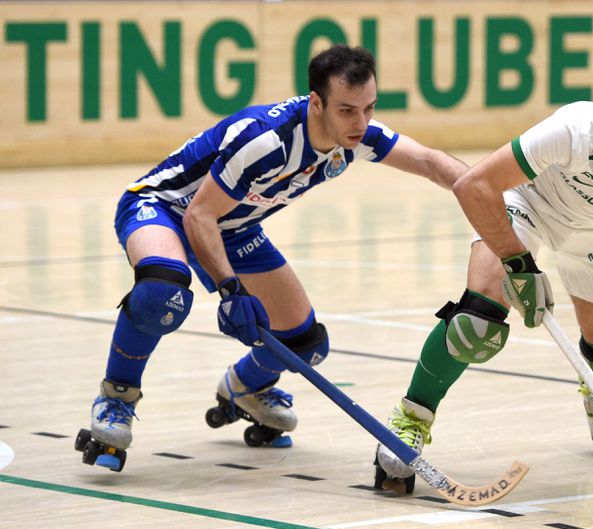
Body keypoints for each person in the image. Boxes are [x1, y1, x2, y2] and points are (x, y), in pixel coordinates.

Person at [75, 45, 469, 471]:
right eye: (347, 110)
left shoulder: (355, 138)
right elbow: (199, 215)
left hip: (233, 228)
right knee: (162, 294)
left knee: (306, 344)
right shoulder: (266, 141)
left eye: (369, 108)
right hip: (165, 208)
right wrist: (229, 290)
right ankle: (117, 397)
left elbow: (430, 162)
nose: (361, 123)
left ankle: (244, 389)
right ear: (316, 103)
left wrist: (492, 199)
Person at [375, 92, 593, 482]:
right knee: (476, 325)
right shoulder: (574, 131)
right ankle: (408, 420)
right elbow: (473, 185)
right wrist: (518, 262)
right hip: (530, 205)